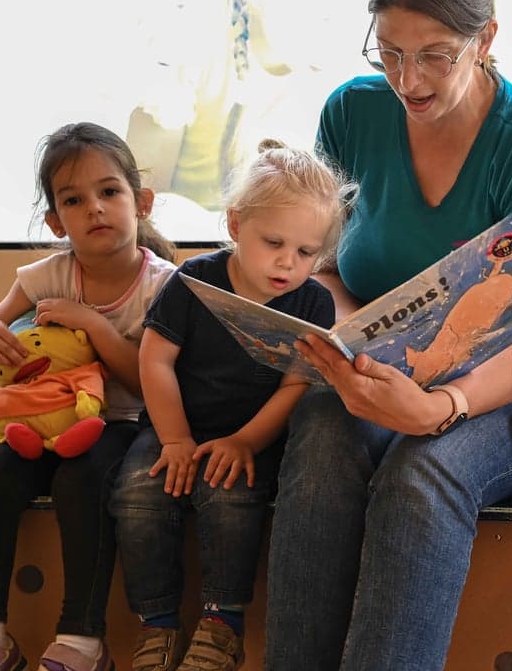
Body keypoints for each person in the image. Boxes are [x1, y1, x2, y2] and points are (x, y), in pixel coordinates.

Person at [263, 0, 512, 671]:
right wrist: (342, 332)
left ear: (487, 39)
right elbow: (333, 268)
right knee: (320, 436)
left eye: (435, 54)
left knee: (421, 476)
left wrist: (442, 409)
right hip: (388, 362)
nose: (409, 80)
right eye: (390, 53)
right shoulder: (350, 113)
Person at [110, 140, 350, 671]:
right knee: (136, 493)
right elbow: (155, 360)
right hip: (175, 425)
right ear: (237, 225)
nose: (289, 262)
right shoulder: (195, 278)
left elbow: (296, 385)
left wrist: (247, 441)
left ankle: (222, 623)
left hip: (250, 433)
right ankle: (156, 625)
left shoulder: (312, 302)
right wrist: (174, 439)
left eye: (307, 252)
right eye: (274, 242)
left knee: (229, 495)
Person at [0, 122, 177, 671]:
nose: (95, 209)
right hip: (40, 426)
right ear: (57, 220)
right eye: (74, 200)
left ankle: (82, 639)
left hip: (122, 424)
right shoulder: (46, 274)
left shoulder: (163, 284)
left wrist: (93, 327)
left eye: (109, 192)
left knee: (82, 480)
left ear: (140, 201)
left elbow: (149, 380)